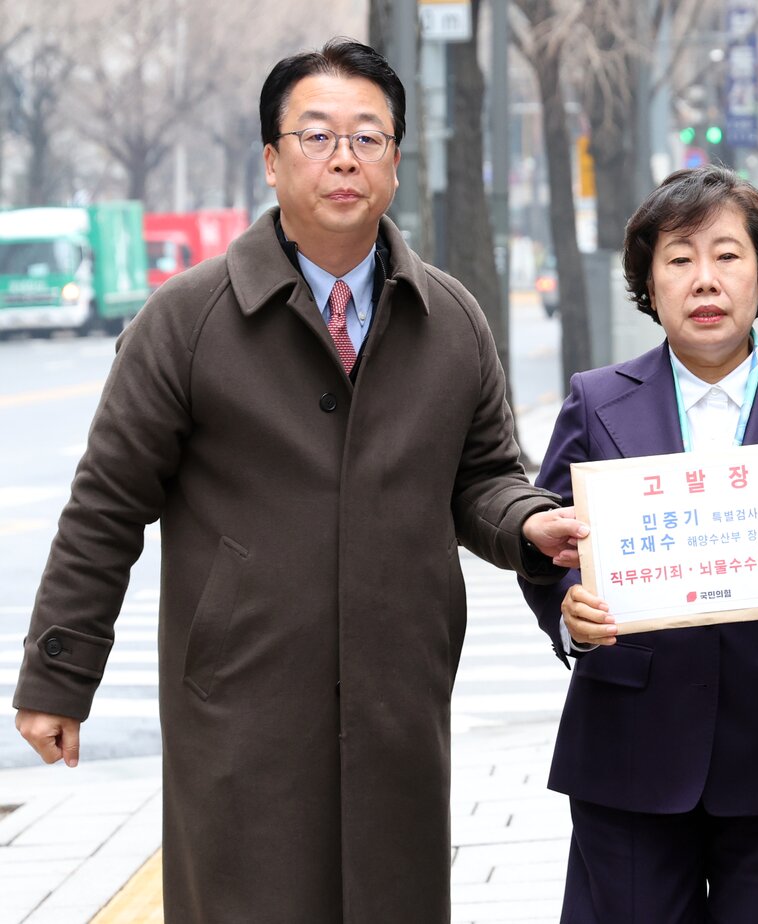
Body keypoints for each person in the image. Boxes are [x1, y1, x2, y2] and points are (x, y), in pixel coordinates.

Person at [11, 39, 585, 923]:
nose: (345, 157)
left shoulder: (451, 320)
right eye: (316, 136)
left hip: (398, 701)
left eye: (369, 136)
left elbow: (485, 479)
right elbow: (107, 506)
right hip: (241, 699)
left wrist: (531, 524)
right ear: (272, 161)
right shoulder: (187, 320)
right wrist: (58, 675)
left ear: (396, 161)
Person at [519, 165, 758, 922]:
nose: (705, 280)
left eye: (727, 256)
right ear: (649, 285)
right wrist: (570, 615)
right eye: (680, 260)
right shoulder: (595, 400)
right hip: (627, 750)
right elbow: (549, 540)